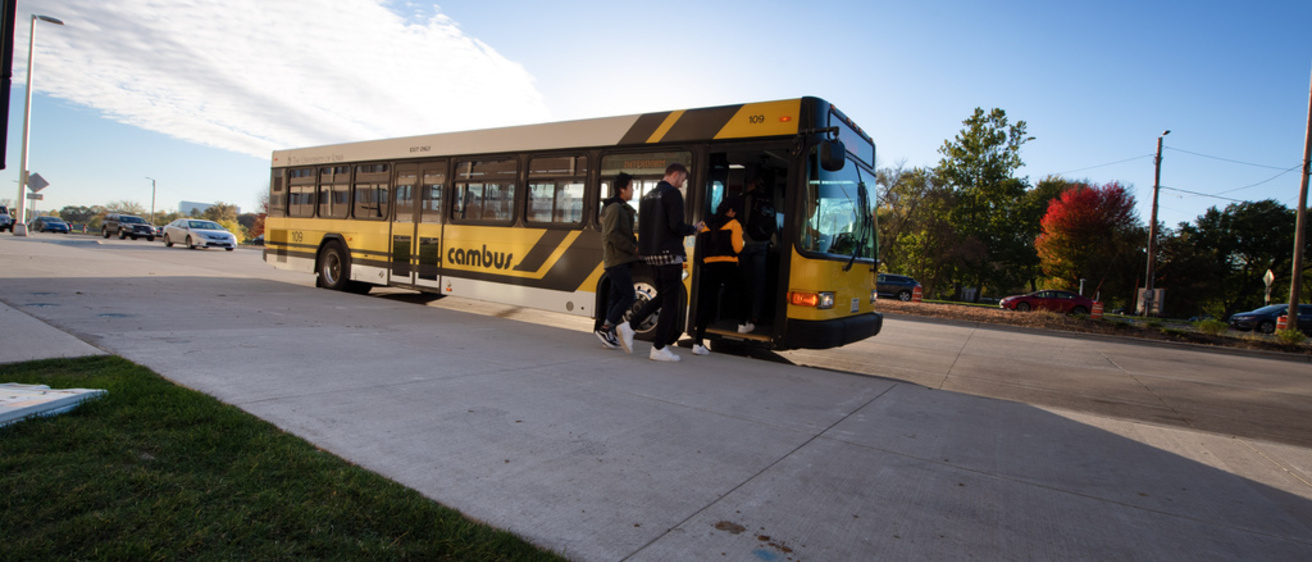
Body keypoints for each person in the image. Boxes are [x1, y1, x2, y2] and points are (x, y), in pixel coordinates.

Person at [631, 163, 701, 362]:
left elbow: (644, 228)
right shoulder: (672, 195)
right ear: (676, 175)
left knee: (662, 296)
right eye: (683, 180)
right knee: (671, 301)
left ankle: (630, 324)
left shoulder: (647, 196)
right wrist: (694, 228)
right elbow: (676, 226)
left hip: (652, 256)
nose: (682, 184)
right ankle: (659, 347)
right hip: (670, 255)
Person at [690, 195, 745, 356]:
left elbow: (700, 250)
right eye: (734, 212)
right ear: (730, 211)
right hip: (728, 266)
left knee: (706, 303)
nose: (735, 214)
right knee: (740, 292)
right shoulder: (734, 224)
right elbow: (737, 248)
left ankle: (698, 342)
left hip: (710, 267)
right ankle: (743, 323)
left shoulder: (706, 224)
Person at [596, 172, 639, 352]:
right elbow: (611, 234)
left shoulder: (619, 207)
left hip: (619, 259)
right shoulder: (615, 208)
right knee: (629, 296)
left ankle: (608, 332)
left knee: (616, 297)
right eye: (631, 187)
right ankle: (606, 328)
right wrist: (633, 247)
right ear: (622, 189)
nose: (633, 190)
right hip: (617, 260)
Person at [738, 176, 775, 333]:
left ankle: (741, 315)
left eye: (748, 182)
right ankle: (755, 315)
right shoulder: (769, 200)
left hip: (747, 243)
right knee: (759, 281)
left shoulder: (748, 198)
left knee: (743, 280)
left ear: (752, 184)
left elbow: (745, 219)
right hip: (763, 244)